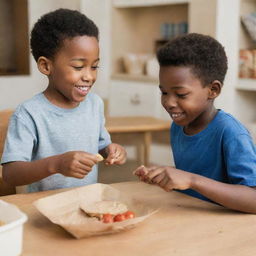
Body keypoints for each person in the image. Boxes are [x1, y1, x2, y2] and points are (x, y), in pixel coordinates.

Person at [1, 9, 126, 192]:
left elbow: (100, 144)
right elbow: (11, 173)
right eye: (78, 66)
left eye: (94, 66)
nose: (89, 76)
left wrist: (110, 150)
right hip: (43, 207)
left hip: (85, 201)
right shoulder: (29, 113)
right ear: (46, 66)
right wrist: (57, 164)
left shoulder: (94, 104)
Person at [134, 33, 256, 213]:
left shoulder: (231, 132)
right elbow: (196, 180)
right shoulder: (179, 126)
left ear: (213, 90)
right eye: (164, 92)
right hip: (193, 218)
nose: (168, 102)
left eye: (181, 94)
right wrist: (166, 176)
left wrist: (191, 179)